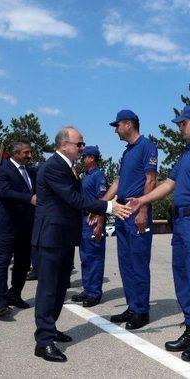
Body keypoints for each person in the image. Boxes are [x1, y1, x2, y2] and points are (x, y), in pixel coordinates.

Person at [128, 105, 190, 362]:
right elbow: (169, 184)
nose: (179, 127)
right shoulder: (186, 156)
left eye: (182, 123)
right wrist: (142, 200)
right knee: (182, 277)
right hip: (180, 224)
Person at [32, 126, 131, 362]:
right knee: (48, 289)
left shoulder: (68, 167)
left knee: (59, 288)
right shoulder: (54, 166)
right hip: (51, 237)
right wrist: (108, 207)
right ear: (64, 144)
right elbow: (73, 199)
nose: (82, 148)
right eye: (79, 144)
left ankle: (51, 328)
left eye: (82, 144)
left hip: (64, 237)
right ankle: (43, 341)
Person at [102, 110, 158, 330]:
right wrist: (100, 204)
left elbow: (151, 180)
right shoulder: (127, 153)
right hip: (122, 210)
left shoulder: (147, 147)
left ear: (128, 124)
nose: (115, 130)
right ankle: (132, 306)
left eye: (117, 125)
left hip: (136, 210)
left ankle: (142, 311)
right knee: (125, 262)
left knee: (138, 263)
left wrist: (143, 210)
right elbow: (118, 182)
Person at [0, 141, 36, 319]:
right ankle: (0, 303)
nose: (30, 155)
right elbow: (5, 192)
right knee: (1, 263)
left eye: (30, 152)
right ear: (15, 153)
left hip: (26, 226)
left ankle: (15, 294)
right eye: (26, 152)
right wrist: (29, 199)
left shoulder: (32, 172)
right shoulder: (2, 171)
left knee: (23, 264)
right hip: (7, 226)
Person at [70, 145, 108, 308]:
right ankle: (88, 289)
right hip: (83, 220)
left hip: (93, 222)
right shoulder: (86, 176)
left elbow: (102, 201)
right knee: (85, 258)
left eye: (84, 156)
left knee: (94, 258)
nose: (82, 159)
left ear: (92, 158)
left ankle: (94, 293)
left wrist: (100, 224)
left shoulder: (98, 176)